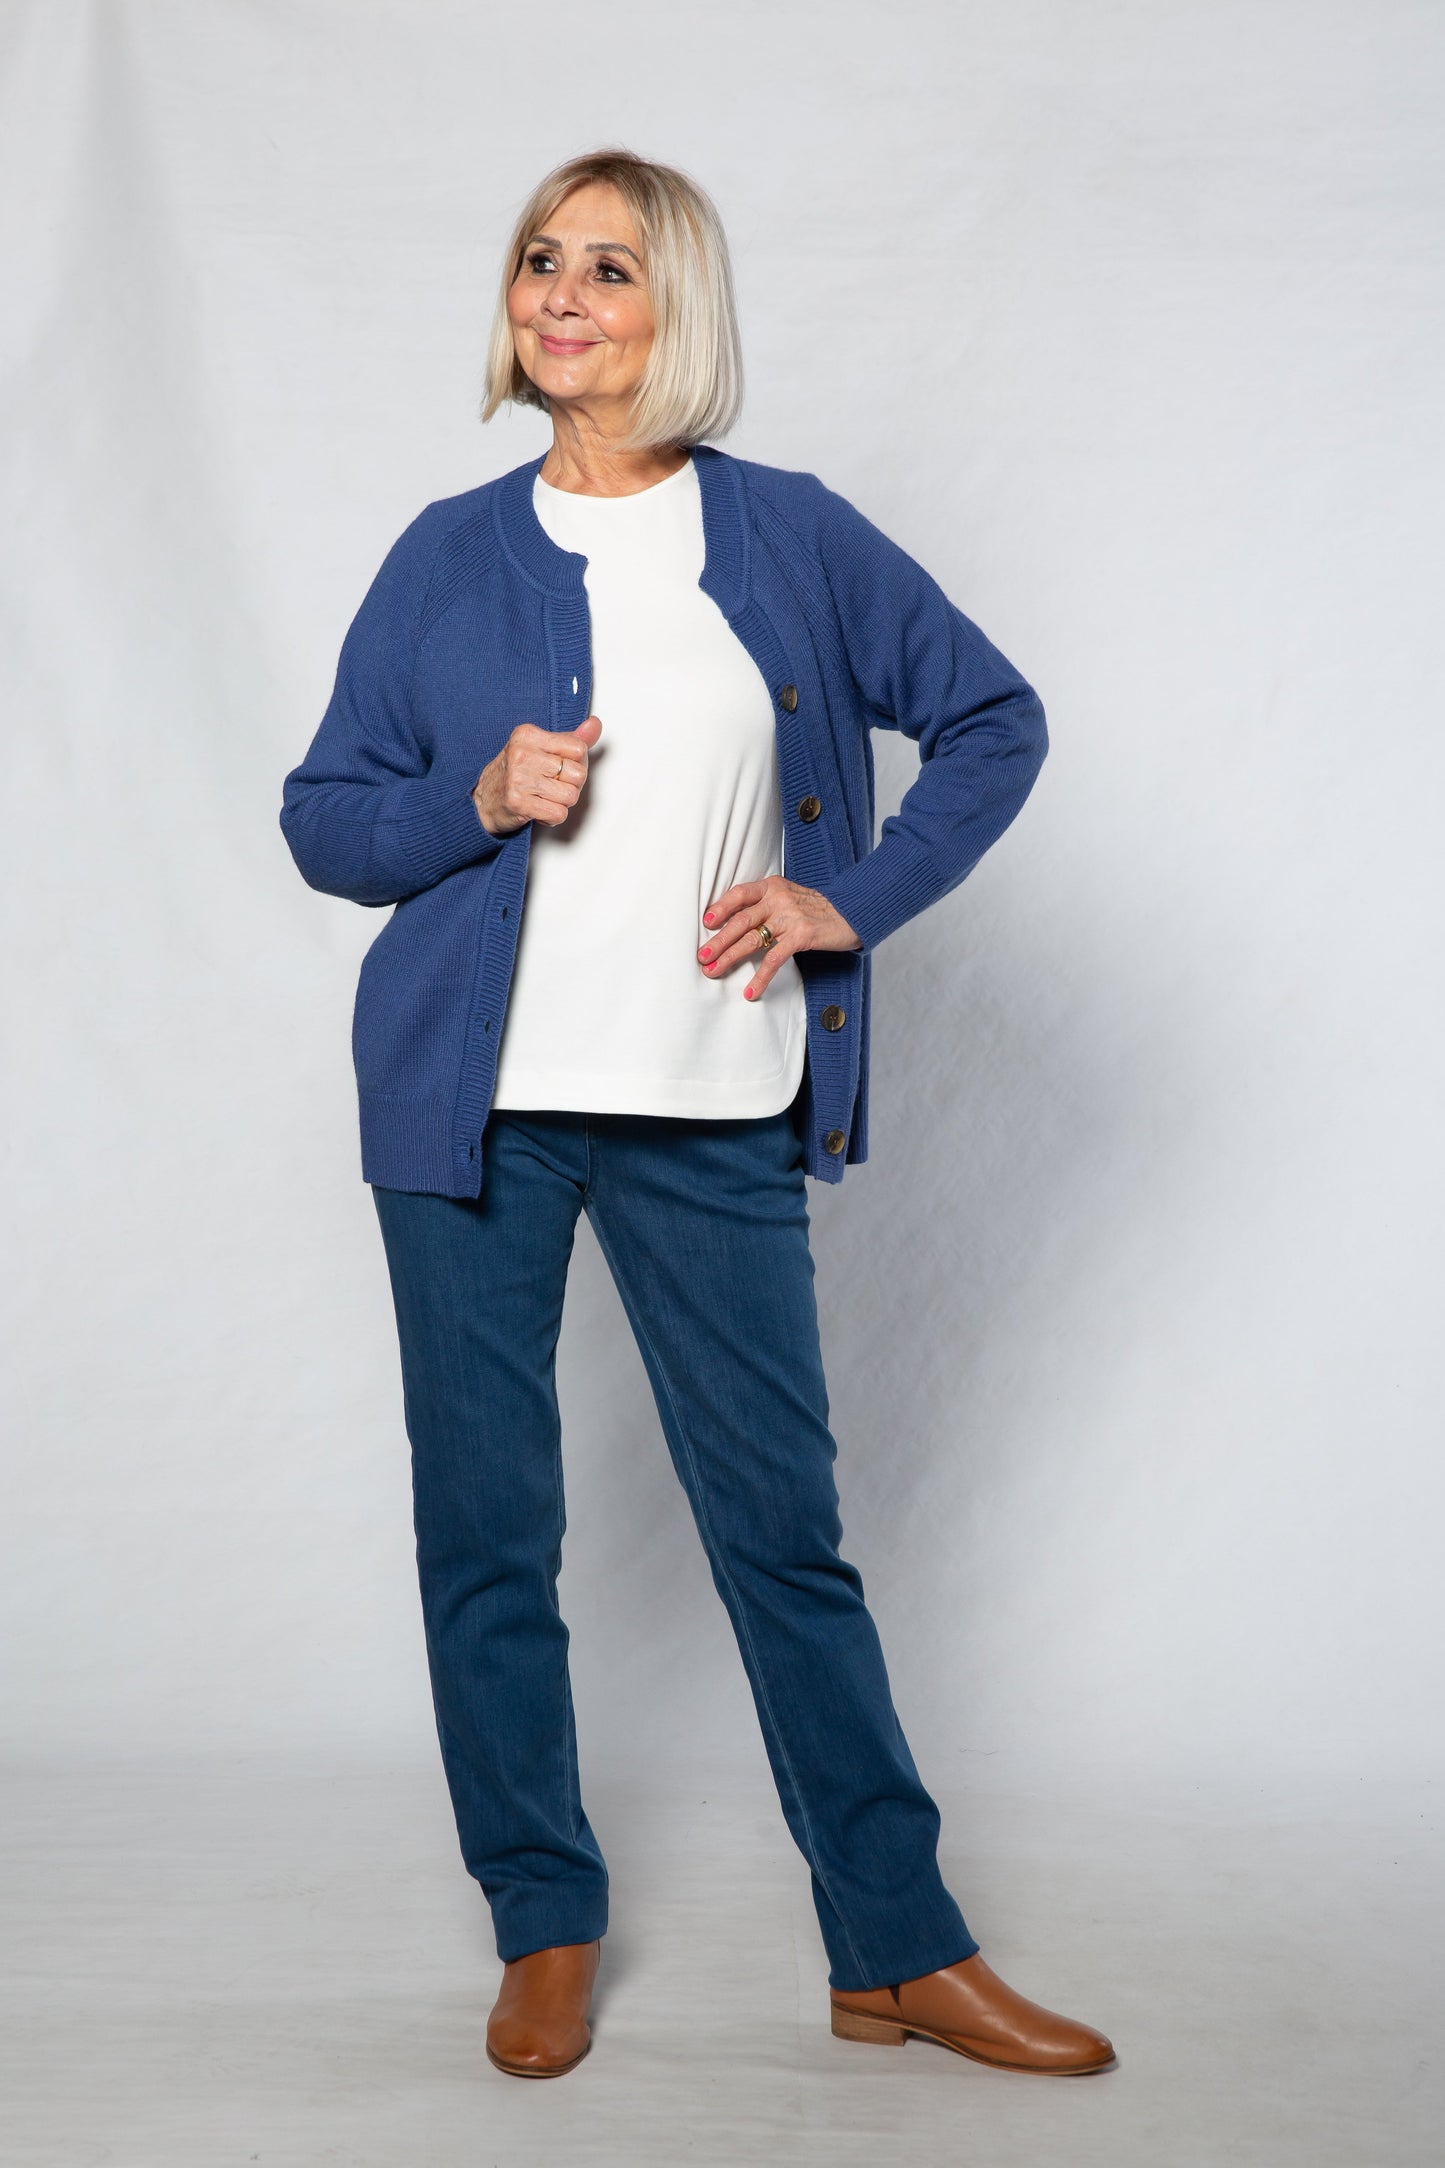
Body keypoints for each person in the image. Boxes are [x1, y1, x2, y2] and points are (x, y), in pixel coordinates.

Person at [279, 147, 1114, 2083]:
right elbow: (326, 816)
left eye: (612, 269)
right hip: (468, 1116)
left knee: (784, 1535)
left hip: (712, 1104)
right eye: (539, 261)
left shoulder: (798, 537)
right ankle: (542, 1919)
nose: (562, 293)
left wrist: (853, 900)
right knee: (489, 1533)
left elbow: (994, 716)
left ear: (682, 316)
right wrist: (473, 798)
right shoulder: (441, 556)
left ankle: (895, 1945)